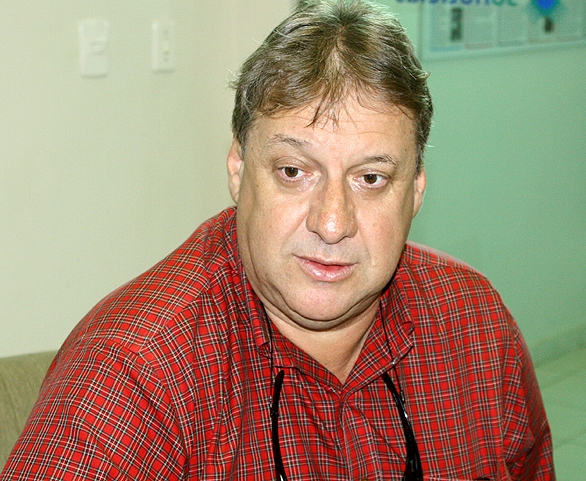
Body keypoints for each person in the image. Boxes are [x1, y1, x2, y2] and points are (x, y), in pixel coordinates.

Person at [1, 0, 555, 479]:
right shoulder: (134, 371)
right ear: (238, 170)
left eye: (370, 178)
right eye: (294, 171)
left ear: (415, 191)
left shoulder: (476, 325)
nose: (332, 223)